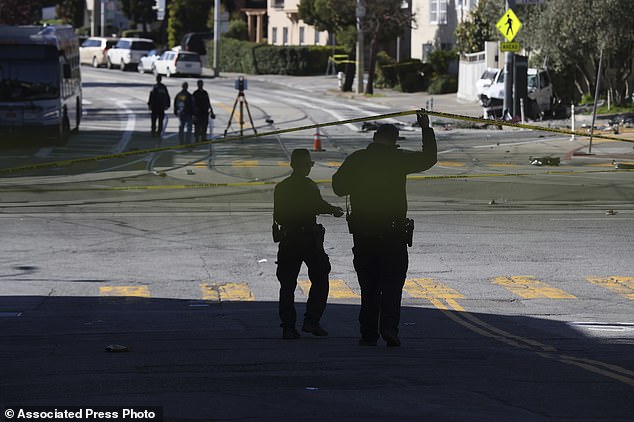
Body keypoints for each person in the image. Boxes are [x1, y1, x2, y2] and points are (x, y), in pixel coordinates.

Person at [332, 111, 437, 347]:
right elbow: (429, 158)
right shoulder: (398, 159)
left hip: (364, 233)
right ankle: (389, 329)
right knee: (391, 285)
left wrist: (358, 183)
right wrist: (425, 128)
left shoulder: (357, 159)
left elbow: (338, 187)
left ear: (374, 138)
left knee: (368, 287)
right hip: (392, 234)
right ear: (394, 141)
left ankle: (368, 333)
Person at [273, 149, 344, 340]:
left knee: (287, 286)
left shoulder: (281, 187)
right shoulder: (308, 186)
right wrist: (334, 210)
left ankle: (288, 327)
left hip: (288, 240)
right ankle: (311, 321)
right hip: (308, 240)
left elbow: (278, 215)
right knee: (320, 279)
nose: (309, 167)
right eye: (309, 164)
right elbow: (317, 205)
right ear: (304, 165)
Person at [174, 81, 195, 146]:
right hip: (184, 113)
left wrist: (176, 111)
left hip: (186, 113)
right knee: (185, 128)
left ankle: (185, 142)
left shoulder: (186, 95)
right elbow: (177, 104)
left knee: (186, 129)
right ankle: (184, 142)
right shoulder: (183, 95)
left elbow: (177, 104)